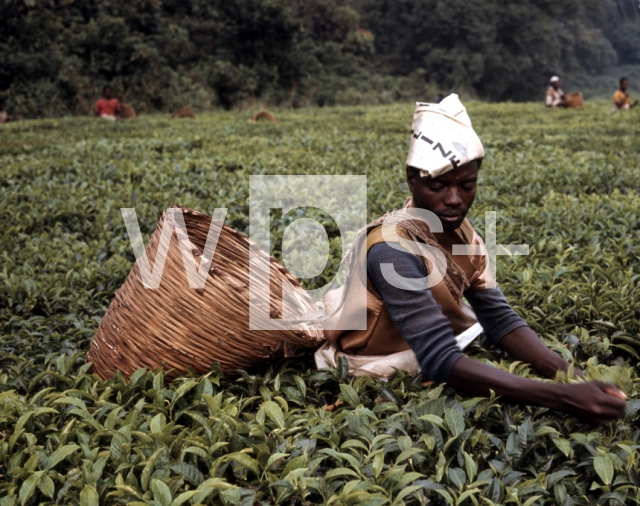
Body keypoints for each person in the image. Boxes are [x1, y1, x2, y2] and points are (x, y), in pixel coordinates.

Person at [316, 94, 626, 423]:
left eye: (467, 186)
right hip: (377, 363)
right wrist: (564, 396)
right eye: (438, 186)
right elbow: (438, 358)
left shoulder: (463, 234)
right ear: (412, 180)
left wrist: (571, 373)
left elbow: (499, 319)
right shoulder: (391, 248)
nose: (454, 200)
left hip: (430, 349)